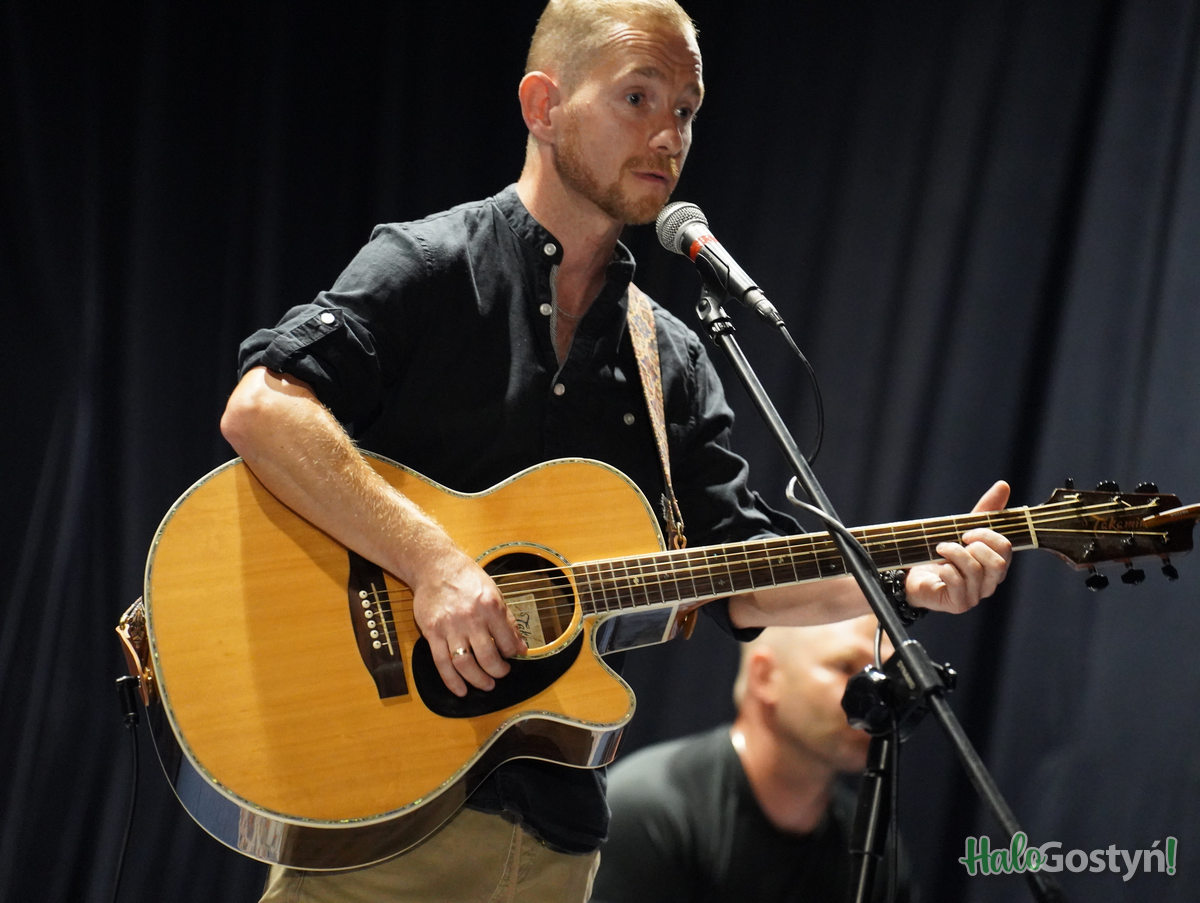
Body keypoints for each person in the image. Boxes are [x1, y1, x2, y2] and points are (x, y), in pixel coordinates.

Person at [219, 0, 1013, 899]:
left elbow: (741, 577)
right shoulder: (431, 265)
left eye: (686, 110)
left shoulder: (670, 356)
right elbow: (263, 410)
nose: (669, 135)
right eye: (638, 98)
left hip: (558, 845)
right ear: (543, 105)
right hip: (382, 813)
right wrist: (434, 563)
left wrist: (903, 581)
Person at [592, 617, 912, 902]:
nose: (876, 697)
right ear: (765, 676)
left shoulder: (873, 849)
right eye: (845, 667)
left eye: (882, 676)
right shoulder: (650, 812)